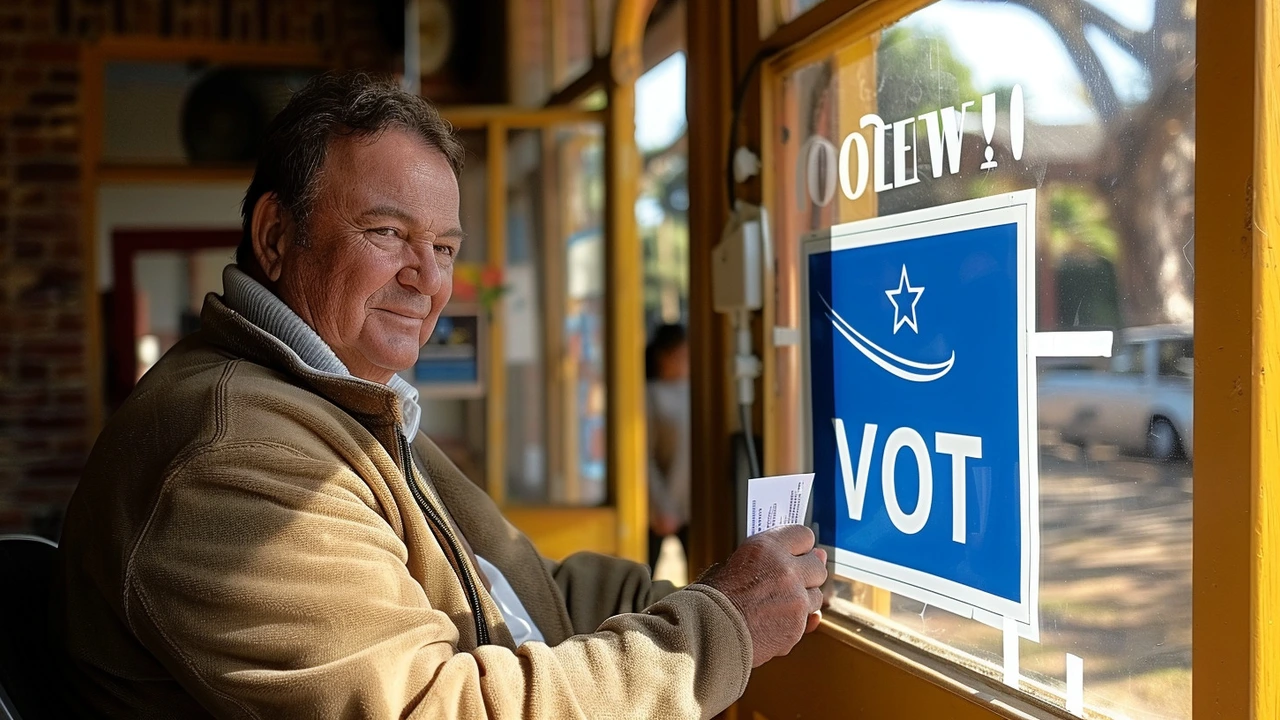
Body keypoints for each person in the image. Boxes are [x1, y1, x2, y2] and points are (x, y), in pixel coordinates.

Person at [53, 72, 827, 719]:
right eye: (388, 232)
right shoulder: (233, 452)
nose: (428, 278)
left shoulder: (340, 402)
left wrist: (716, 591)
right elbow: (440, 710)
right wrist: (719, 626)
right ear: (277, 236)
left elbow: (525, 594)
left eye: (446, 247)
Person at [645, 323, 691, 573]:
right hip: (659, 507)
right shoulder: (650, 394)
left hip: (693, 507)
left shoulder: (698, 390)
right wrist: (661, 506)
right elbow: (643, 457)